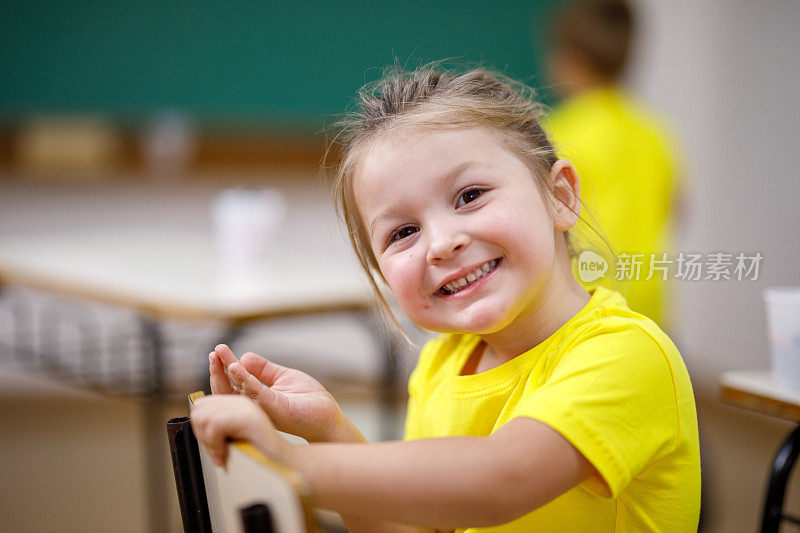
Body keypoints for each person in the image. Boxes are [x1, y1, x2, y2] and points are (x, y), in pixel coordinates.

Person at [191, 65, 700, 532]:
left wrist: (289, 463)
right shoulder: (442, 366)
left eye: (470, 196)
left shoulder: (628, 355)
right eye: (403, 232)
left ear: (560, 196)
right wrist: (328, 431)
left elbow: (501, 481)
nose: (441, 243)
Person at [545, 0, 681, 329]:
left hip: (585, 304)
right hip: (648, 306)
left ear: (571, 58)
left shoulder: (561, 132)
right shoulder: (654, 131)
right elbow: (675, 205)